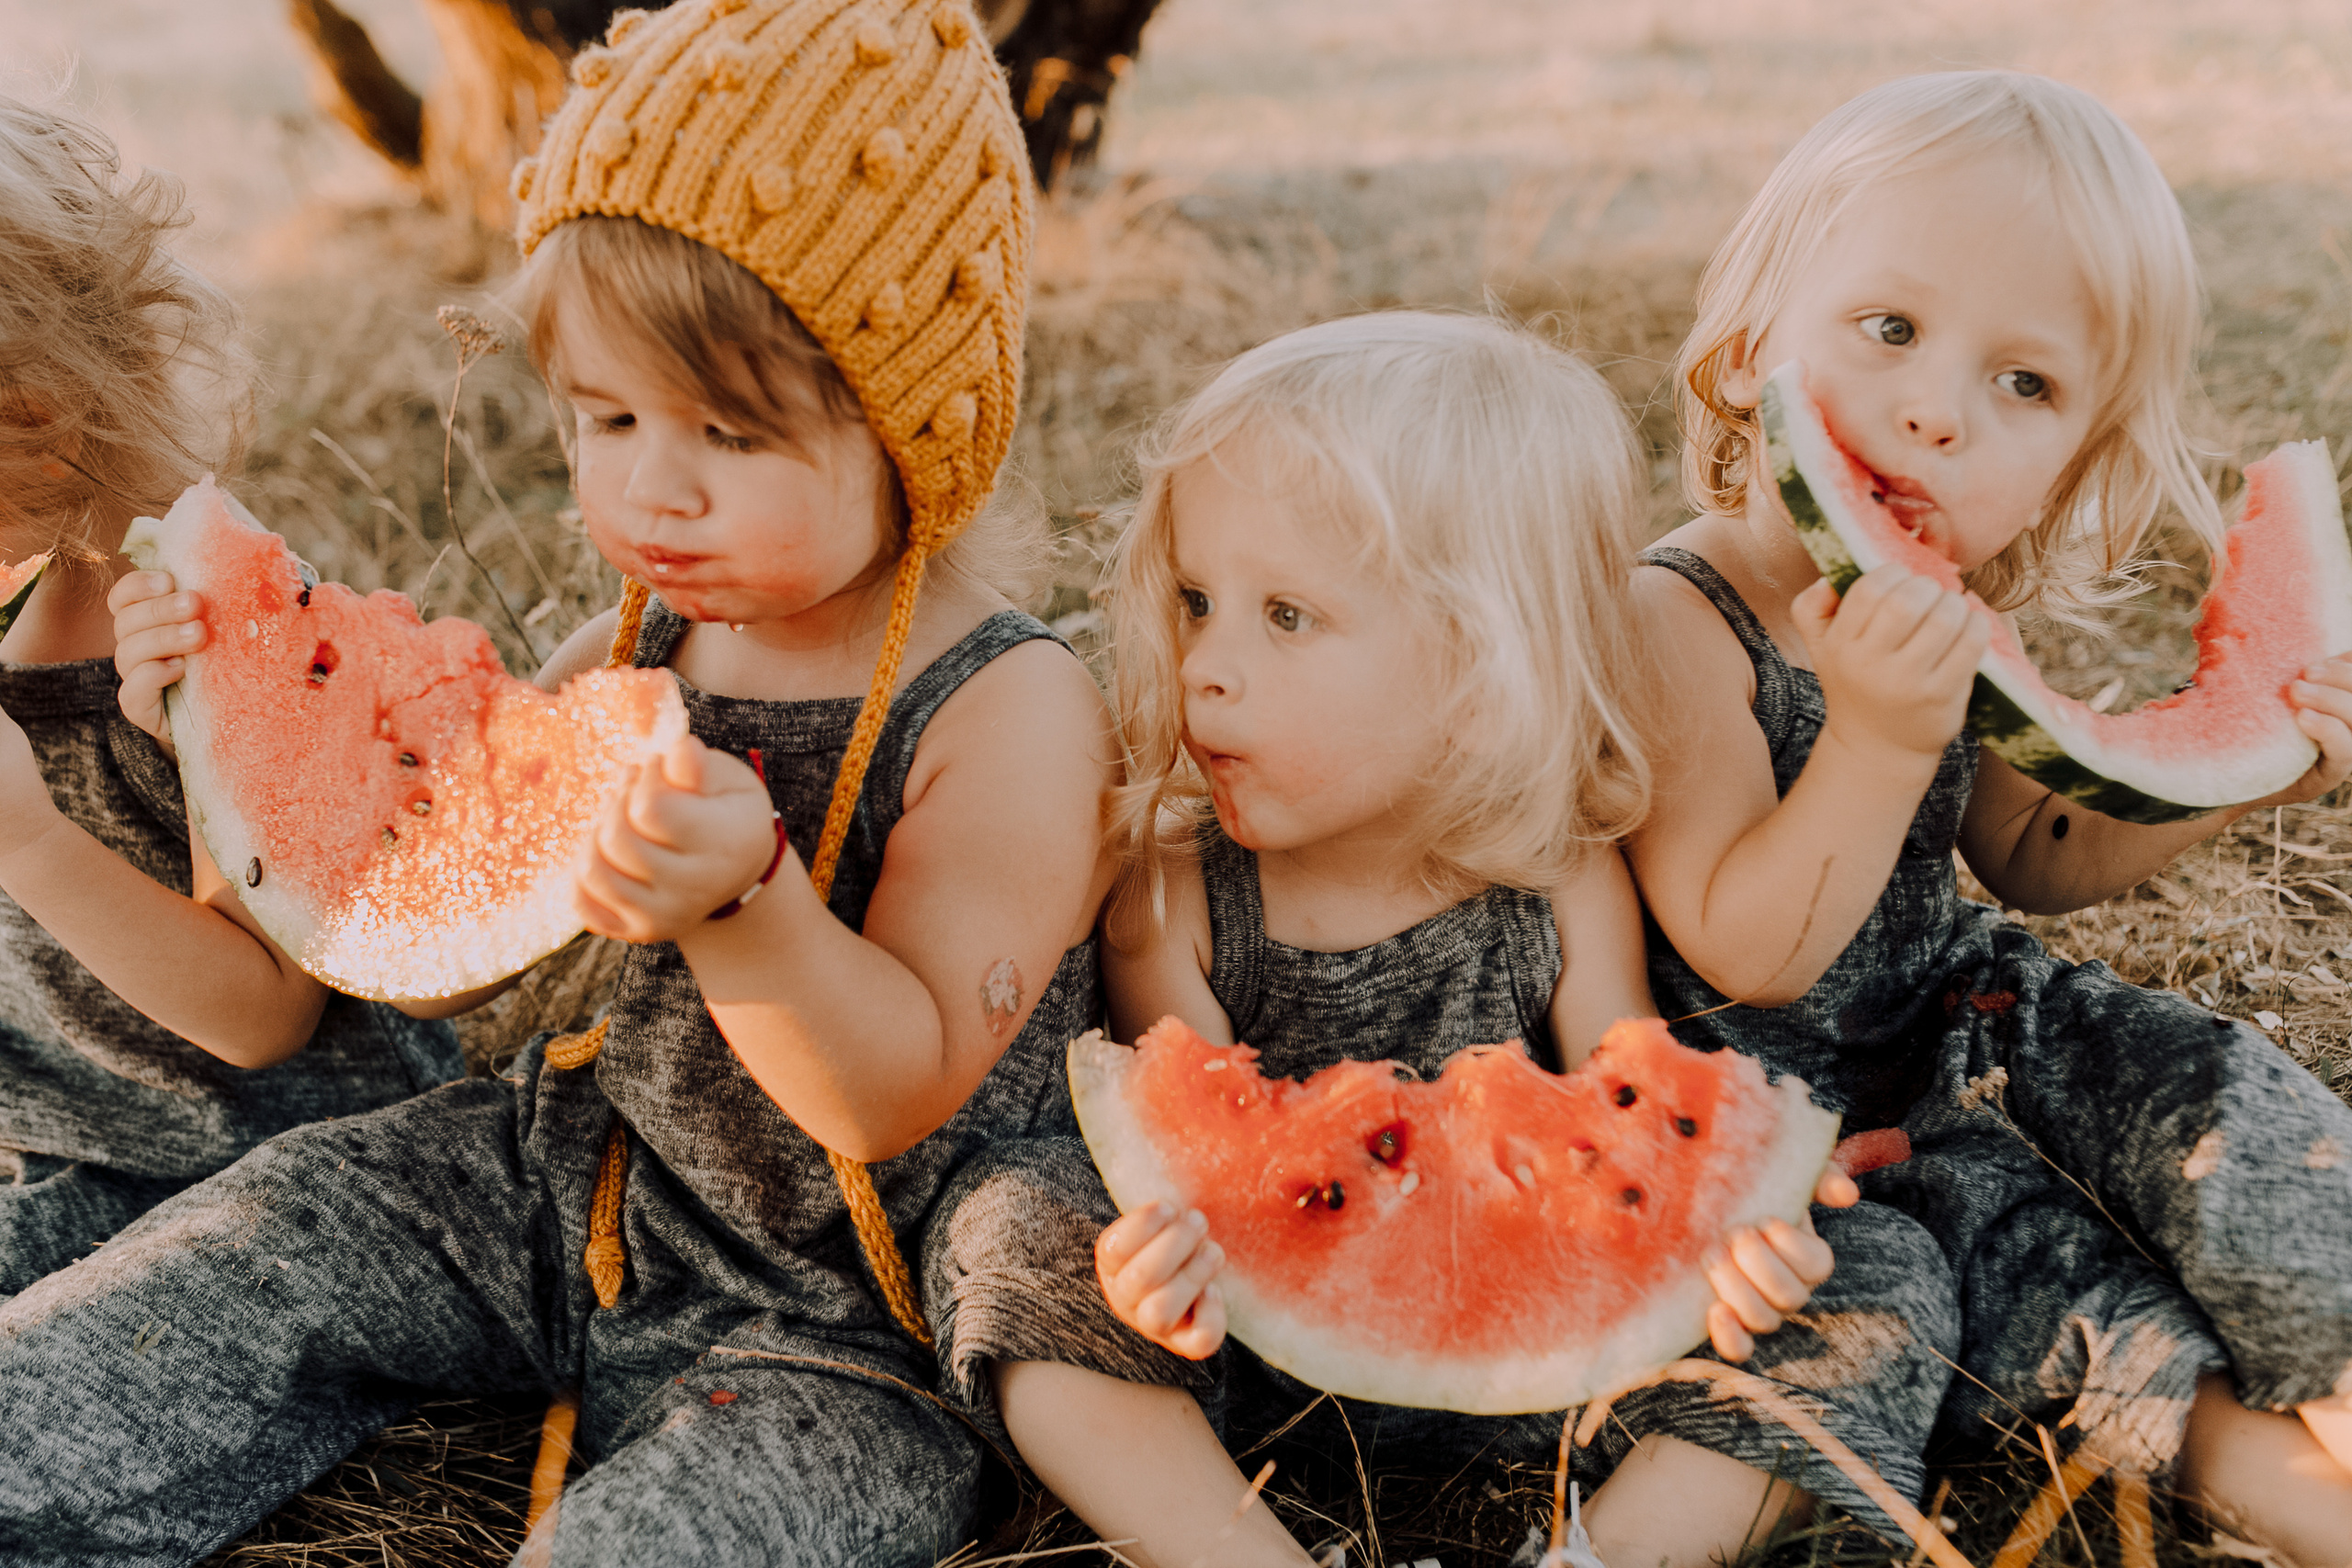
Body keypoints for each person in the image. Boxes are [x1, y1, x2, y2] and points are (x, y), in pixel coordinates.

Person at [0, 4, 1114, 1562]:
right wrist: (215, 719)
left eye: (726, 429)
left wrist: (747, 906)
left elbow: (893, 1086)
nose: (647, 481)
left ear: (914, 422)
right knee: (222, 1261)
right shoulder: (637, 636)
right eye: (601, 418)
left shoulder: (1011, 707)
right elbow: (415, 917)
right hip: (549, 1186)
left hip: (839, 1319)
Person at [920, 311, 1949, 1568]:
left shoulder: (1559, 872)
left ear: (1481, 672)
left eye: (1286, 617)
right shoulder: (1173, 888)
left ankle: (1595, 1559)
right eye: (1196, 601)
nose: (1208, 667)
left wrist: (1733, 1225)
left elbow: (1631, 1087)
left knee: (1878, 1274)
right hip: (1244, 1373)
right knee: (1012, 1218)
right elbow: (1181, 1168)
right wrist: (1152, 1266)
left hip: (1574, 1364)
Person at [1631, 69, 2352, 1565]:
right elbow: (1744, 945)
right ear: (1755, 336)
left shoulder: (1947, 608)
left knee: (2211, 1084)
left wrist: (2263, 762)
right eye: (1890, 330)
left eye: (2024, 387)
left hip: (1972, 1026)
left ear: (2072, 467)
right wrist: (1884, 737)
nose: (1935, 412)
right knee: (2036, 1291)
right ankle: (2290, 1491)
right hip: (1785, 1137)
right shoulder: (1678, 612)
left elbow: (2043, 854)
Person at [0, 95, 460, 1302]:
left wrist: (28, 842)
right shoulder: (13, 573)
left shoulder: (218, 604)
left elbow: (266, 1017)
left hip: (292, 1159)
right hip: (75, 1153)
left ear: (37, 418)